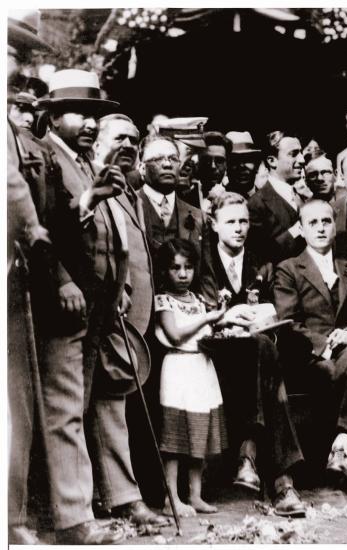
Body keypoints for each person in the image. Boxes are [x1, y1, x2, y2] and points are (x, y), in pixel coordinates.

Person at [37, 67, 130, 544]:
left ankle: (81, 505)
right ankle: (72, 519)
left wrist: (115, 285)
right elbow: (42, 229)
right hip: (65, 300)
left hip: (96, 302)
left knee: (84, 401)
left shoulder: (87, 161)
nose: (90, 122)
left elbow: (107, 236)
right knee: (65, 407)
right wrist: (62, 278)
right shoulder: (45, 159)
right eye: (78, 112)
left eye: (95, 113)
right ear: (52, 116)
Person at [198, 192, 307, 518]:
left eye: (243, 221)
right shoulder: (205, 261)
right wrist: (227, 316)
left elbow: (275, 309)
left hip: (257, 352)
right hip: (216, 356)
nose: (239, 228)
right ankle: (282, 481)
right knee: (269, 366)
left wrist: (263, 316)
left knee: (264, 349)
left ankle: (249, 457)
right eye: (230, 221)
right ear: (215, 225)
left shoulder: (263, 262)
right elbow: (204, 309)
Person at [89, 115, 169, 529]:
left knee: (113, 406)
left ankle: (112, 495)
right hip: (102, 313)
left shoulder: (130, 190)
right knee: (104, 407)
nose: (129, 145)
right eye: (119, 137)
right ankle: (121, 498)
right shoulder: (93, 182)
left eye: (135, 140)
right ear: (98, 140)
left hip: (133, 319)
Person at [274, 200, 347, 493]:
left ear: (335, 226)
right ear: (302, 230)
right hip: (309, 359)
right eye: (313, 223)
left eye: (326, 221)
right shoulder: (289, 269)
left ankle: (342, 442)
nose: (320, 227)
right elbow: (288, 322)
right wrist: (325, 345)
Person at [7, 10, 56, 544]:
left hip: (14, 282)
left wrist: (38, 239)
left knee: (15, 408)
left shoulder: (19, 142)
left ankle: (16, 517)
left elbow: (20, 197)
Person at [154, 239, 229, 517]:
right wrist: (208, 318)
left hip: (201, 368)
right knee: (174, 439)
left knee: (198, 433)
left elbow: (207, 330)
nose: (183, 274)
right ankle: (170, 497)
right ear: (164, 271)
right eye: (175, 268)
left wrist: (223, 319)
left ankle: (195, 495)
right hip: (178, 370)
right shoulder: (163, 300)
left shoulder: (197, 299)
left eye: (188, 268)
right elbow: (175, 334)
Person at [138, 135, 205, 263]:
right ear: (142, 168)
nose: (168, 164)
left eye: (173, 159)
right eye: (158, 159)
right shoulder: (127, 206)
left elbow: (205, 272)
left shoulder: (198, 217)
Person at [247, 130, 307, 264]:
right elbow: (260, 256)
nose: (302, 160)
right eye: (294, 154)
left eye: (301, 153)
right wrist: (298, 229)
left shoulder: (302, 198)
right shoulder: (255, 205)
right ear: (272, 161)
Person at [181, 131, 229, 212]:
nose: (212, 166)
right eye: (206, 160)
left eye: (219, 161)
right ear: (198, 163)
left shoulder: (236, 194)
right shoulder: (184, 197)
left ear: (227, 164)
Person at [225, 131, 262, 199]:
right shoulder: (213, 203)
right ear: (226, 166)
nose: (241, 166)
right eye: (235, 160)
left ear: (257, 165)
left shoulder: (269, 200)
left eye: (247, 159)